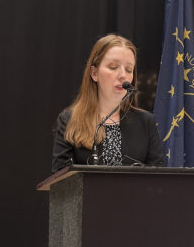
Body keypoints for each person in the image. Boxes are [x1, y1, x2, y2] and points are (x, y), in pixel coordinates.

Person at [51, 34, 164, 172]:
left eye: (129, 69)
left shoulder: (146, 122)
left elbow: (159, 180)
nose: (123, 75)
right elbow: (60, 182)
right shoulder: (69, 120)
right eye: (113, 67)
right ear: (94, 73)